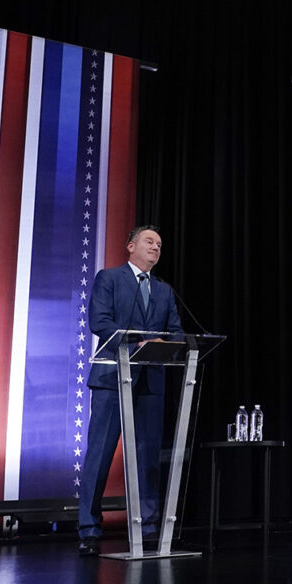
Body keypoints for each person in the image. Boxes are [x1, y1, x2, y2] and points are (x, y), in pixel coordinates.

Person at [78, 225, 182, 555]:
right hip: (112, 379)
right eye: (150, 241)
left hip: (151, 382)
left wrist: (167, 343)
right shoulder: (108, 279)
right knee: (100, 456)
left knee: (148, 458)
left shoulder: (164, 290)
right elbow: (100, 322)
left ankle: (147, 528)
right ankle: (89, 529)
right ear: (130, 246)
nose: (156, 247)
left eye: (160, 244)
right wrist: (138, 341)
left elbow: (176, 332)